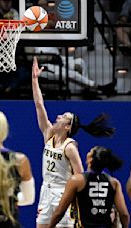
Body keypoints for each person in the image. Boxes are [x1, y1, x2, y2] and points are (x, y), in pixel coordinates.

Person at [32, 57, 115, 228]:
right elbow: (39, 104)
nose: (58, 117)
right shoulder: (48, 134)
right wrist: (35, 80)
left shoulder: (70, 147)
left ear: (68, 126)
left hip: (63, 193)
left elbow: (80, 177)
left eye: (63, 117)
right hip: (45, 191)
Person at [48, 146, 130, 228]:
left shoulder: (76, 180)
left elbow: (59, 212)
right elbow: (124, 214)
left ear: (90, 159)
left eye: (90, 151)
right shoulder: (114, 183)